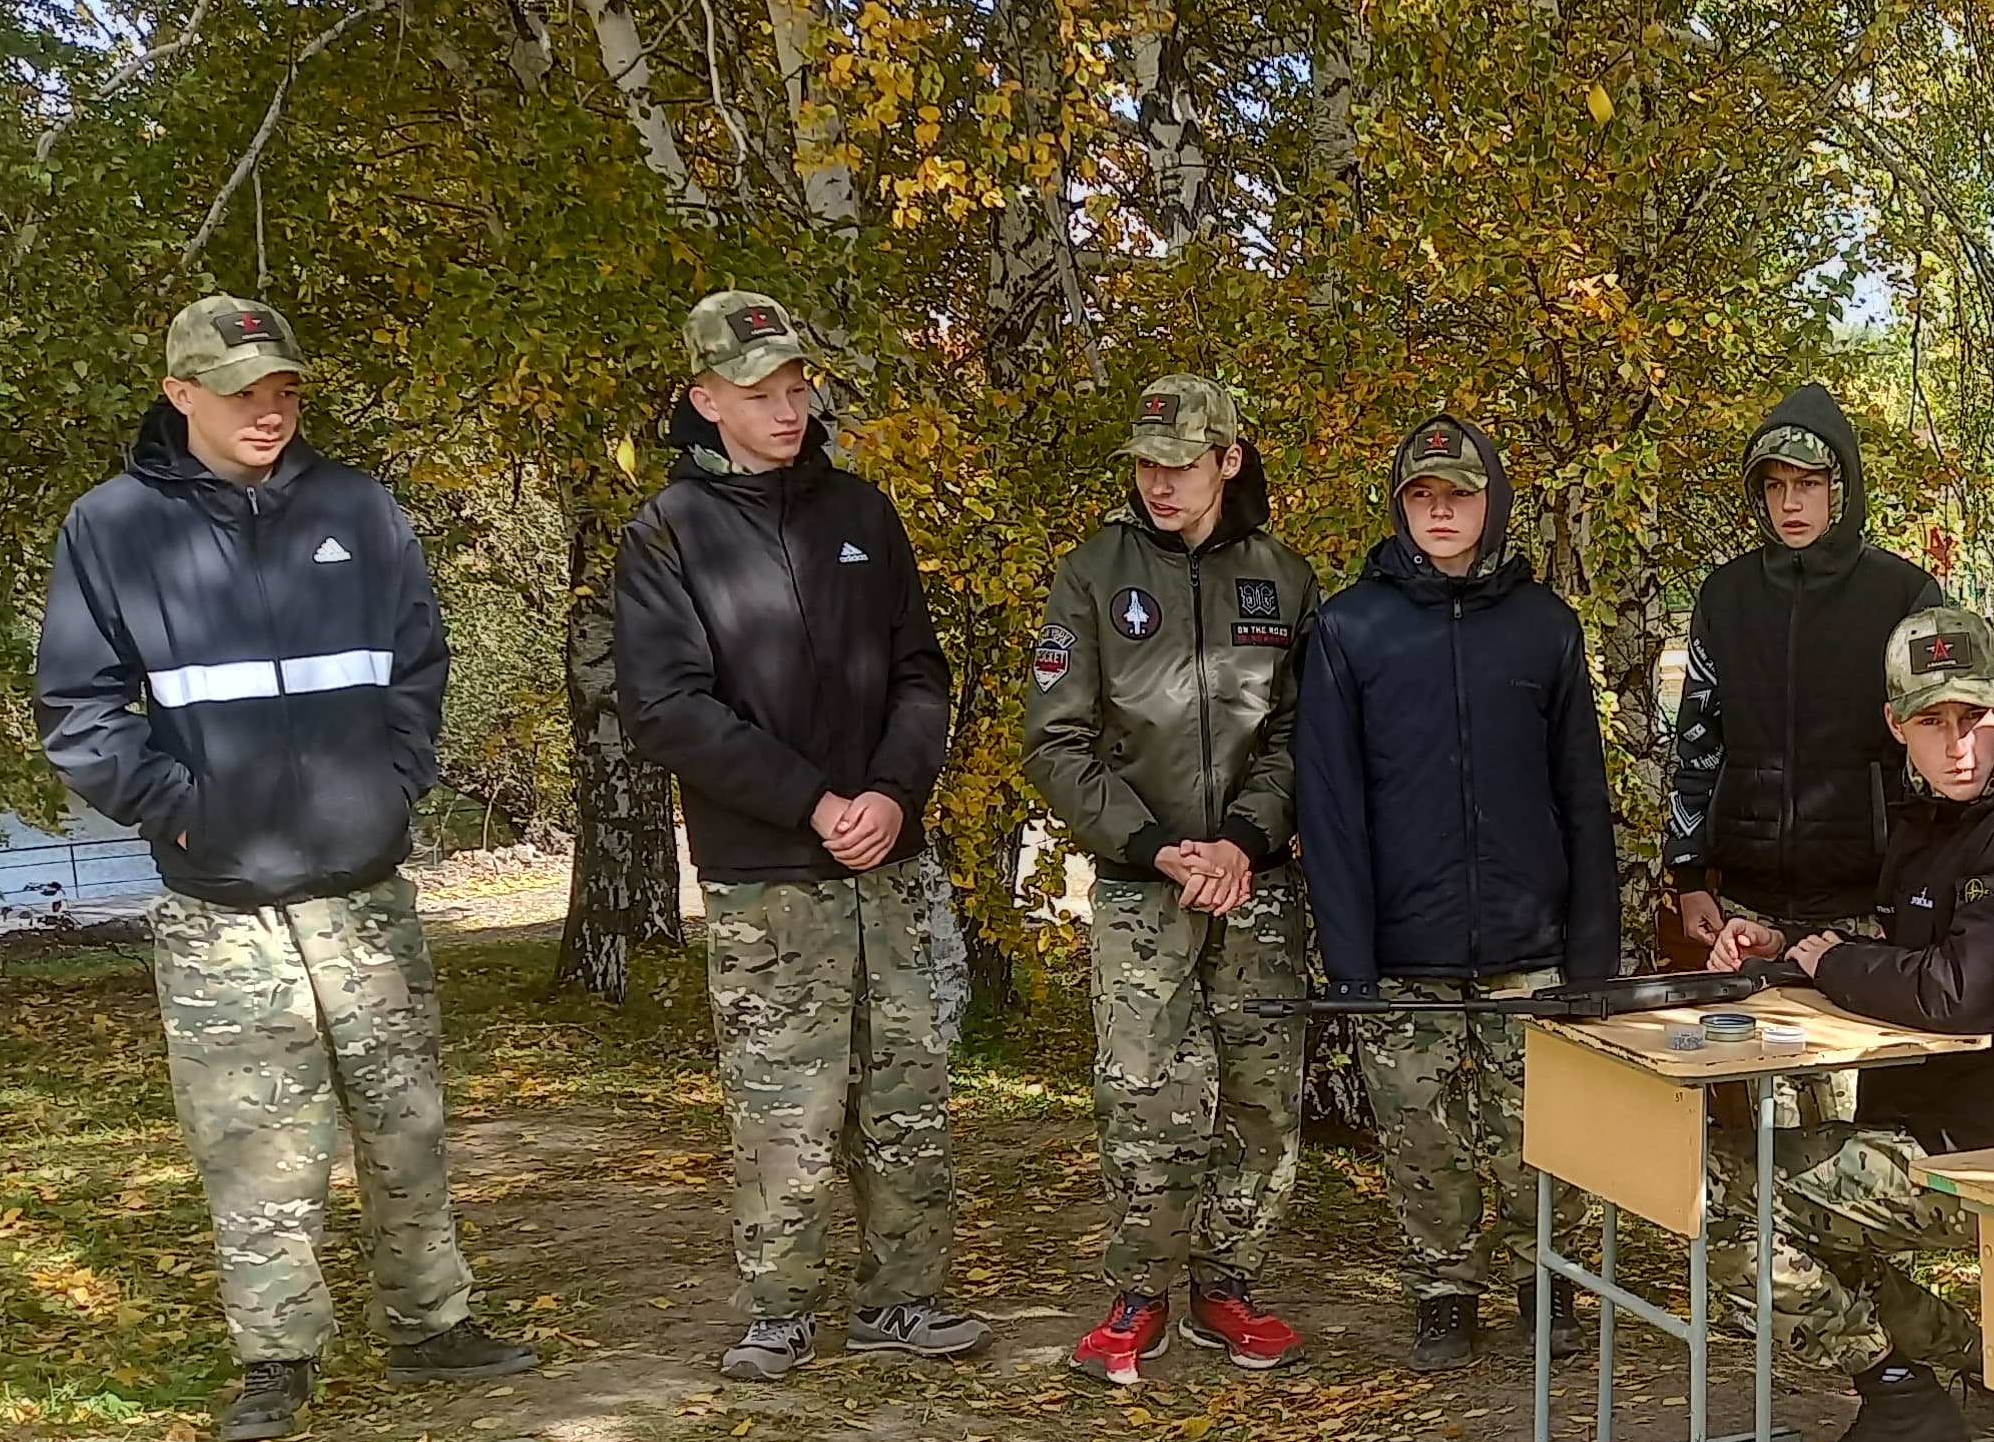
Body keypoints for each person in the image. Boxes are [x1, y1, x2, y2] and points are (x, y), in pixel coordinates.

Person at [37, 294, 534, 1442]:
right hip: (222, 904)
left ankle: (429, 1323)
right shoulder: (110, 528)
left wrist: (396, 781)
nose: (267, 411)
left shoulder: (354, 507)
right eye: (240, 391)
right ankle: (278, 1354)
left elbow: (418, 656)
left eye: (282, 391)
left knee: (405, 1120)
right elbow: (79, 710)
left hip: (363, 888)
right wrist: (184, 814)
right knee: (256, 1141)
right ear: (180, 394)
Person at [614, 289, 984, 1384]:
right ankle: (779, 1309)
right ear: (705, 398)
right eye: (760, 392)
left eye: (795, 389)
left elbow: (921, 671)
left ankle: (904, 1298)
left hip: (889, 859)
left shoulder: (861, 516)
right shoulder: (668, 533)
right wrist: (812, 803)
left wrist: (891, 793)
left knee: (905, 1088)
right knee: (787, 1101)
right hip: (769, 873)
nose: (786, 409)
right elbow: (667, 707)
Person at [1705, 606, 1994, 1442]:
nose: (1959, 744)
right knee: (1765, 1198)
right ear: (1898, 727)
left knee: (1718, 1200)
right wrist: (1788, 945)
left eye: (1974, 718)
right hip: (1944, 1123)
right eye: (1931, 722)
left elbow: (1956, 989)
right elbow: (1910, 947)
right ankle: (1986, 1369)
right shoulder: (1938, 817)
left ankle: (1902, 1400)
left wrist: (1831, 960)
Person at [1295, 417, 1619, 1372]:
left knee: (1541, 1130)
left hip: (1531, 942)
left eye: (1461, 496)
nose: (1442, 512)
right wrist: (1349, 959)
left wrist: (1590, 957)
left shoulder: (1543, 626)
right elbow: (1330, 804)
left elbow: (1584, 797)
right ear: (1399, 506)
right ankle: (1443, 1284)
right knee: (1418, 1128)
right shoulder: (1351, 628)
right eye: (1423, 496)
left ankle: (1548, 1277)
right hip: (1403, 949)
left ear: (1493, 505)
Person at [1025, 375, 1319, 1386]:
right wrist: (1156, 846)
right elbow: (1056, 740)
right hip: (1141, 886)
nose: (1160, 482)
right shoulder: (1095, 572)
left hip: (1256, 885)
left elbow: (1296, 732)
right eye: (1146, 464)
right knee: (1143, 1091)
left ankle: (1228, 1285)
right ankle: (1140, 1291)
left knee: (1260, 1095)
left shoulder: (1280, 574)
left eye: (1181, 463)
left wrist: (1243, 839)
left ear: (1227, 460)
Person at [1662, 384, 1945, 948]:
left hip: (1870, 908)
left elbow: (1941, 752)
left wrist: (1921, 885)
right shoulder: (1726, 597)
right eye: (1775, 485)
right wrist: (1689, 874)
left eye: (1809, 484)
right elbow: (1697, 738)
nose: (1790, 504)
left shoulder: (1904, 595)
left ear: (1840, 488)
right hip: (1742, 908)